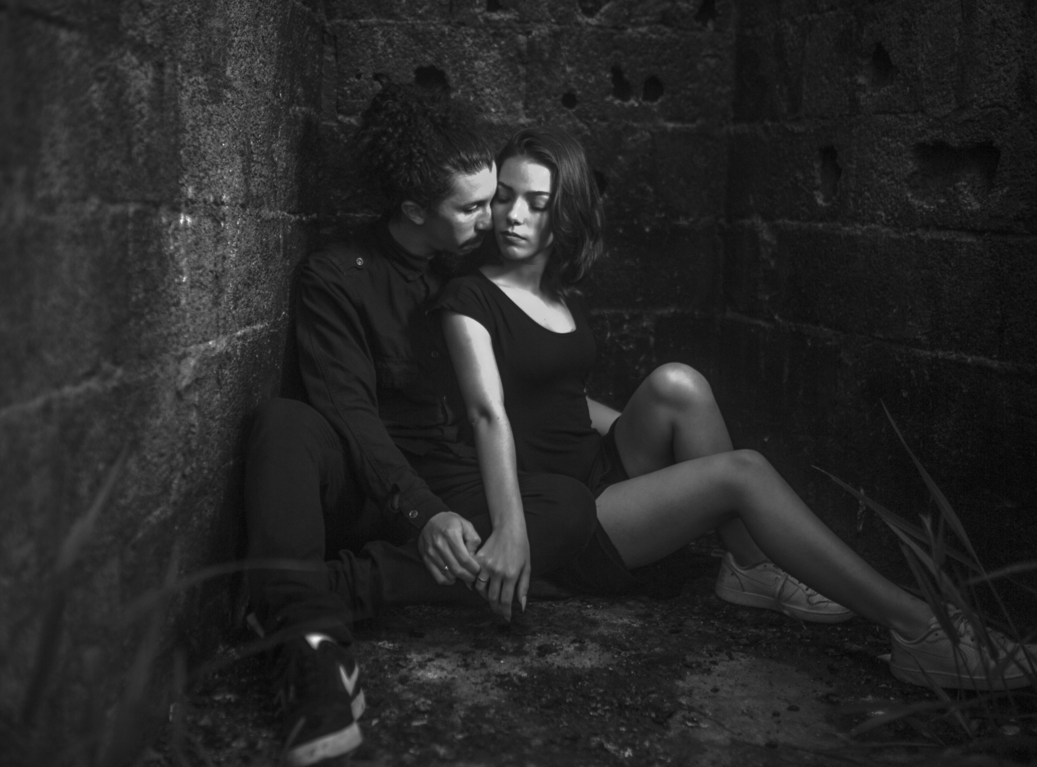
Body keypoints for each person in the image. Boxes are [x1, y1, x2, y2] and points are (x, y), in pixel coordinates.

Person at [434, 126, 1036, 692]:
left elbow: (561, 398)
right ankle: (917, 627)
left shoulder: (556, 294)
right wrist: (511, 531)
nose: (513, 215)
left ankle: (749, 565)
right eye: (504, 197)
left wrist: (642, 441)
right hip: (563, 511)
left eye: (536, 203)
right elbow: (488, 413)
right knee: (741, 473)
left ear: (565, 211)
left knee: (679, 383)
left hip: (595, 469)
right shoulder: (469, 297)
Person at [240, 90, 601, 767]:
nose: (494, 217)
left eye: (494, 199)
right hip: (367, 483)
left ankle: (313, 593)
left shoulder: (471, 269)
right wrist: (423, 513)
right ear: (413, 210)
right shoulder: (334, 277)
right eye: (473, 208)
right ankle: (311, 650)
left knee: (568, 509)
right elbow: (350, 416)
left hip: (451, 478)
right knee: (282, 422)